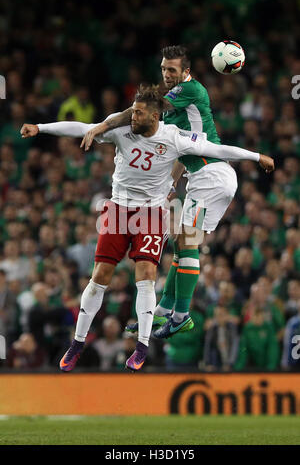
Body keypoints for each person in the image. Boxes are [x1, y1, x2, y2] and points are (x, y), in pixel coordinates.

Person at [21, 84, 274, 372]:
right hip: (118, 209)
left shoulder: (175, 138)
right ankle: (77, 342)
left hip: (151, 213)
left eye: (138, 112)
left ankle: (141, 347)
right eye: (132, 110)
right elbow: (82, 127)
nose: (132, 116)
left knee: (147, 275)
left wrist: (256, 157)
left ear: (154, 117)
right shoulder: (120, 127)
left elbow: (215, 148)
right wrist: (40, 128)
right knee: (100, 275)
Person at [80, 45, 273, 340]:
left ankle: (181, 316)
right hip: (205, 175)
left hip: (210, 173)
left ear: (186, 72)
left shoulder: (189, 91)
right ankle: (163, 310)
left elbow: (140, 110)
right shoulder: (172, 117)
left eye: (172, 70)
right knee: (179, 240)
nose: (167, 74)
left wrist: (101, 126)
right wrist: (170, 186)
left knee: (187, 239)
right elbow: (180, 156)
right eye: (163, 69)